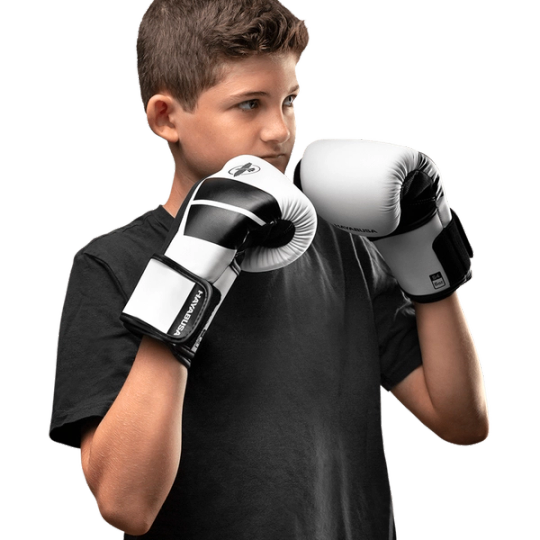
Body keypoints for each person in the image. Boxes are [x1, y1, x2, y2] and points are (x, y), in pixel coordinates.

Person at [48, 1, 490, 538]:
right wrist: (185, 279)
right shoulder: (113, 266)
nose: (280, 131)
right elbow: (126, 505)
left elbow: (462, 421)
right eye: (249, 105)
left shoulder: (342, 247)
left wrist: (427, 257)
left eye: (290, 101)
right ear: (166, 118)